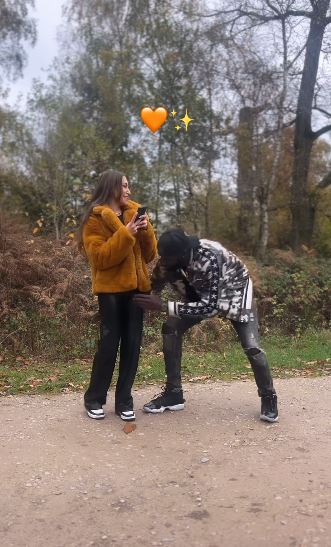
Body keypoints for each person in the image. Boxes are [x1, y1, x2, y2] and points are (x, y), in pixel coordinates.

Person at [133, 228, 278, 423]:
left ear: (182, 254)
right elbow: (155, 283)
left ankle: (268, 396)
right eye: (163, 256)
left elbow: (209, 309)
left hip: (235, 291)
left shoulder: (210, 258)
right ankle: (174, 393)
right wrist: (141, 300)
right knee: (171, 328)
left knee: (252, 347)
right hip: (203, 293)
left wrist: (164, 306)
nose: (164, 260)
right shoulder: (171, 259)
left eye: (168, 257)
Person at [77, 169, 157, 421]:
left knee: (132, 345)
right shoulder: (95, 219)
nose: (128, 191)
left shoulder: (134, 213)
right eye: (123, 186)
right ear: (111, 187)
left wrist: (143, 230)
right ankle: (94, 398)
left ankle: (124, 400)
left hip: (137, 290)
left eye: (128, 186)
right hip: (110, 291)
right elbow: (100, 258)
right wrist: (127, 233)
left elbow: (150, 254)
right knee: (109, 345)